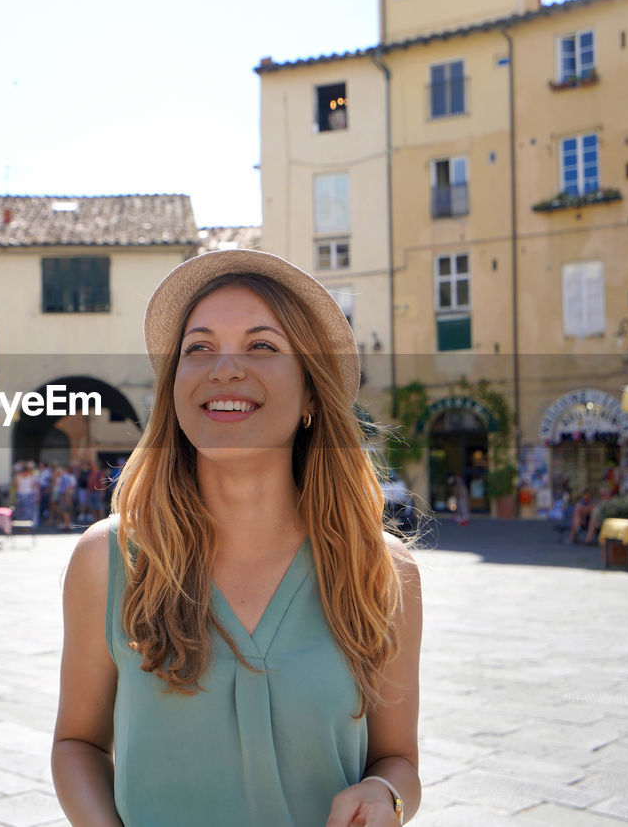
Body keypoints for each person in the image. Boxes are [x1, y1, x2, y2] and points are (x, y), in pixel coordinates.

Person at [52, 249, 423, 826]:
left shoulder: (381, 569)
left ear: (309, 395)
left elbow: (397, 761)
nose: (224, 369)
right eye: (198, 348)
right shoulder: (108, 560)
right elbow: (77, 744)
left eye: (262, 346)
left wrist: (385, 794)